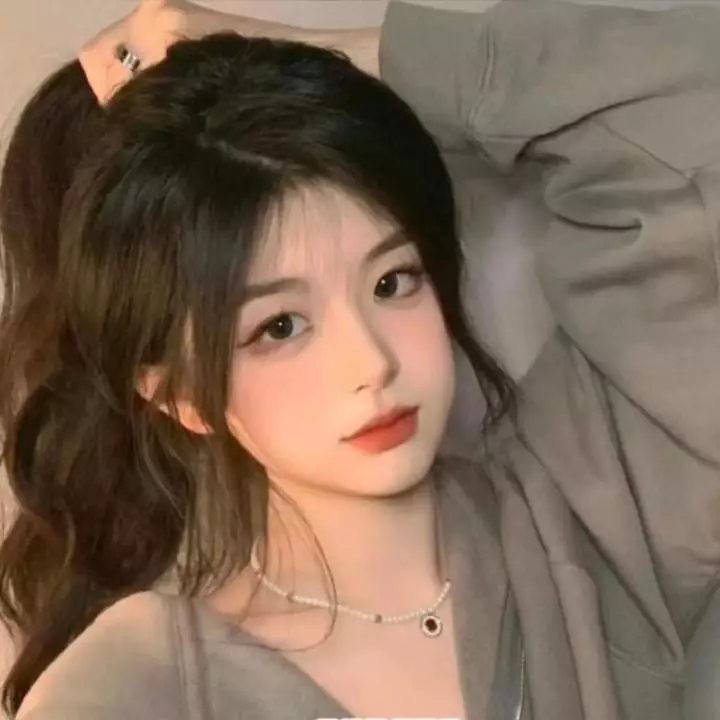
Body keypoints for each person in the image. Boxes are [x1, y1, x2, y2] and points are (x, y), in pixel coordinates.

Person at [1, 1, 719, 718]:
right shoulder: (132, 692)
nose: (370, 363)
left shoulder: (588, 522)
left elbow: (691, 102)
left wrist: (314, 58)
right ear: (178, 394)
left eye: (391, 282)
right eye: (281, 326)